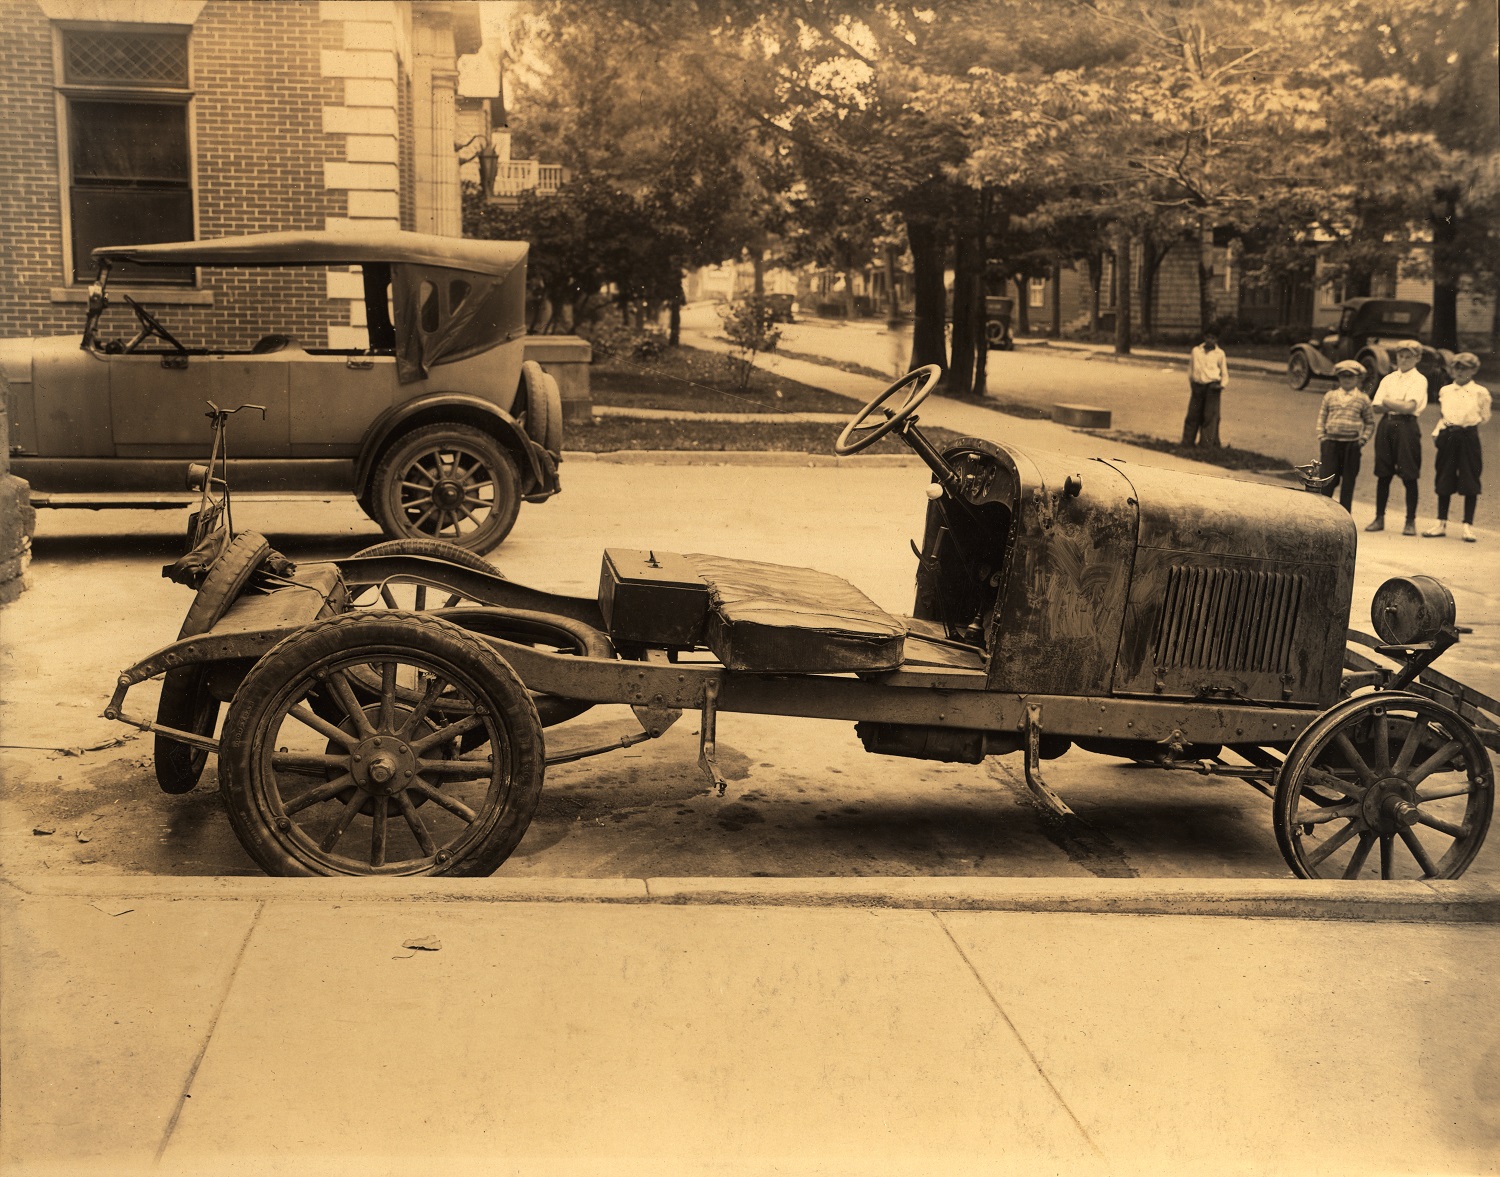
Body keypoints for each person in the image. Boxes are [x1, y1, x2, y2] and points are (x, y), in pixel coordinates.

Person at [1421, 352, 1489, 542]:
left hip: (1468, 437)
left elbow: (1484, 416)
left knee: (1470, 478)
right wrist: (1438, 432)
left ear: (1473, 370)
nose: (1459, 371)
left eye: (1464, 368)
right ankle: (1440, 523)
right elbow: (1444, 416)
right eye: (1456, 367)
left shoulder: (1480, 392)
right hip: (1448, 435)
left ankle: (1468, 526)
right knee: (1444, 476)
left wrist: (1466, 426)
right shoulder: (1446, 390)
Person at [1366, 339, 1428, 535]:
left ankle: (1410, 521)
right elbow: (1376, 407)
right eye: (1401, 355)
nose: (1404, 359)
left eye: (1409, 356)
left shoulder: (1419, 380)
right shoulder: (1389, 378)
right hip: (1386, 424)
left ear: (1417, 358)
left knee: (1409, 473)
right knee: (1383, 472)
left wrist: (1387, 400)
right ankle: (1379, 518)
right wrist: (1395, 403)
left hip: (1407, 426)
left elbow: (1410, 407)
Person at [1315, 359, 1375, 511]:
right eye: (1343, 376)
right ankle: (1323, 514)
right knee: (1326, 481)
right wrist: (1322, 436)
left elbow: (1370, 423)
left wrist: (1362, 439)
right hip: (1331, 444)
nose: (1347, 380)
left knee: (1348, 483)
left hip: (1351, 445)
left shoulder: (1363, 399)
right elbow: (1322, 417)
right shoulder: (1330, 396)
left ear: (1358, 379)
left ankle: (1344, 517)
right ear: (1338, 378)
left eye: (1350, 376)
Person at [1182, 331, 1229, 447]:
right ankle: (1187, 442)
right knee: (1192, 415)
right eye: (1208, 337)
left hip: (1212, 386)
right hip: (1198, 385)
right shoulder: (1196, 351)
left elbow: (1224, 373)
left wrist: (1221, 385)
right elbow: (1190, 369)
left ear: (1216, 339)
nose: (1210, 340)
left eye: (1213, 338)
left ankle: (1205, 445)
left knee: (1209, 417)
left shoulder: (1220, 354)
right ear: (1204, 337)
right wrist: (1192, 383)